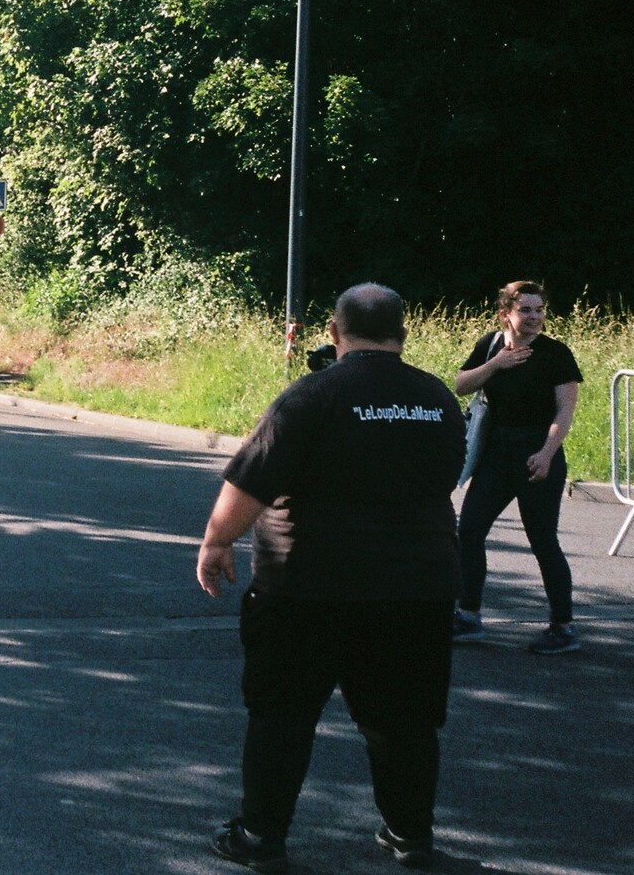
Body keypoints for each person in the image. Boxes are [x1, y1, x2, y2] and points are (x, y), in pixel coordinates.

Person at [198, 284, 465, 873]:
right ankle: (409, 837)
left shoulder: (311, 395)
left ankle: (261, 837)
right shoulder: (438, 398)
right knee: (406, 722)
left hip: (306, 588)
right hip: (416, 588)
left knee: (283, 716)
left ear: (334, 332)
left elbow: (251, 480)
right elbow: (446, 474)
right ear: (403, 333)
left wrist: (218, 541)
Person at [453, 280, 583, 656]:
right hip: (496, 453)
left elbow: (565, 411)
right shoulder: (490, 345)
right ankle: (469, 615)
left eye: (539, 309)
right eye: (525, 310)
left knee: (543, 540)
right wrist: (496, 363)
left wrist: (546, 453)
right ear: (505, 313)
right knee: (470, 530)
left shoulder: (556, 354)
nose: (535, 317)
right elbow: (461, 385)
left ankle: (563, 626)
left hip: (537, 453)